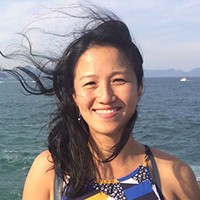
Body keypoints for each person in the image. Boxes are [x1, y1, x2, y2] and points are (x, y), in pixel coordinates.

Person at [2, 4, 200, 200]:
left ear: (139, 88)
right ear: (74, 95)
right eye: (90, 83)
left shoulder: (173, 175)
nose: (106, 96)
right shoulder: (51, 172)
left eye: (119, 80)